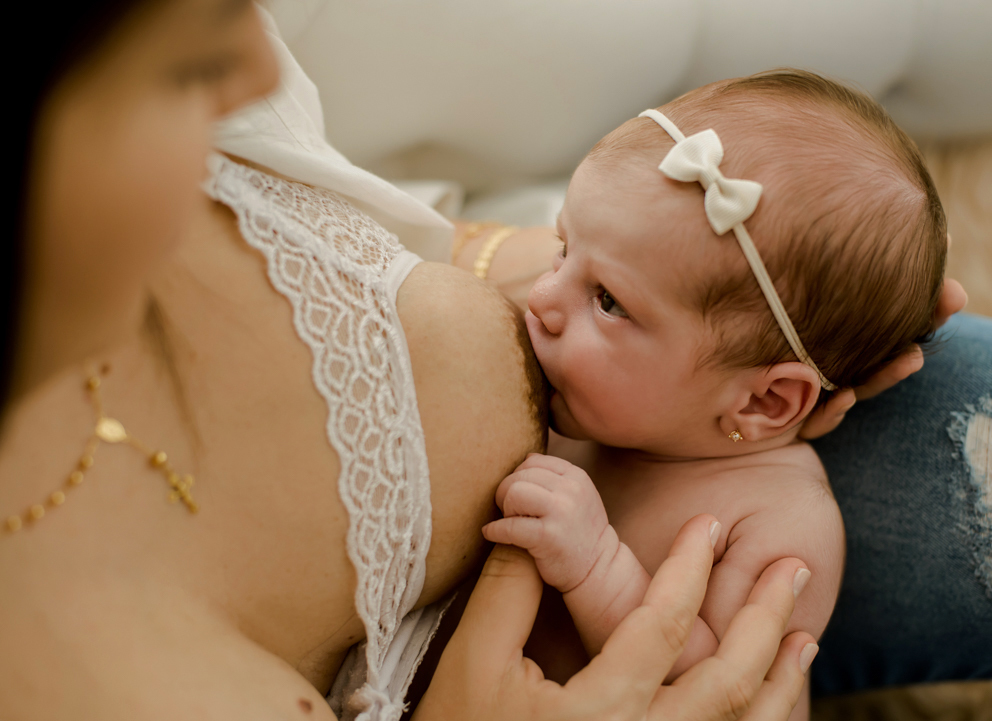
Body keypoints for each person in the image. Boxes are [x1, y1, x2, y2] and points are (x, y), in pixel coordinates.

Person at [0, 1, 815, 720]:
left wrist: (734, 295)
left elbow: (411, 233)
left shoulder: (198, 135)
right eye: (182, 64)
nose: (262, 66)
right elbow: (710, 658)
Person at [478, 70, 945, 720]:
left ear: (763, 402)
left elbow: (722, 683)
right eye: (563, 249)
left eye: (608, 300)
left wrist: (597, 566)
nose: (543, 297)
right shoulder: (595, 393)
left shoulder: (778, 520)